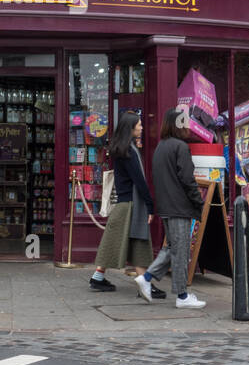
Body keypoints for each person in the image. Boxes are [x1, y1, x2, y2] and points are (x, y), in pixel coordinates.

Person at [88, 112, 164, 299]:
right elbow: (139, 180)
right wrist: (150, 205)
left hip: (125, 203)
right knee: (137, 241)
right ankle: (143, 283)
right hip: (132, 204)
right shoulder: (129, 151)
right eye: (139, 125)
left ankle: (101, 277)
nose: (142, 127)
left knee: (115, 241)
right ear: (130, 128)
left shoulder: (121, 149)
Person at [139, 108, 206, 309]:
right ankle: (182, 296)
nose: (187, 127)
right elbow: (188, 180)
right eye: (184, 123)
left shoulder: (161, 146)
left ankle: (147, 277)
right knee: (181, 251)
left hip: (166, 206)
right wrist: (198, 202)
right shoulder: (180, 147)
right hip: (179, 207)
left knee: (172, 248)